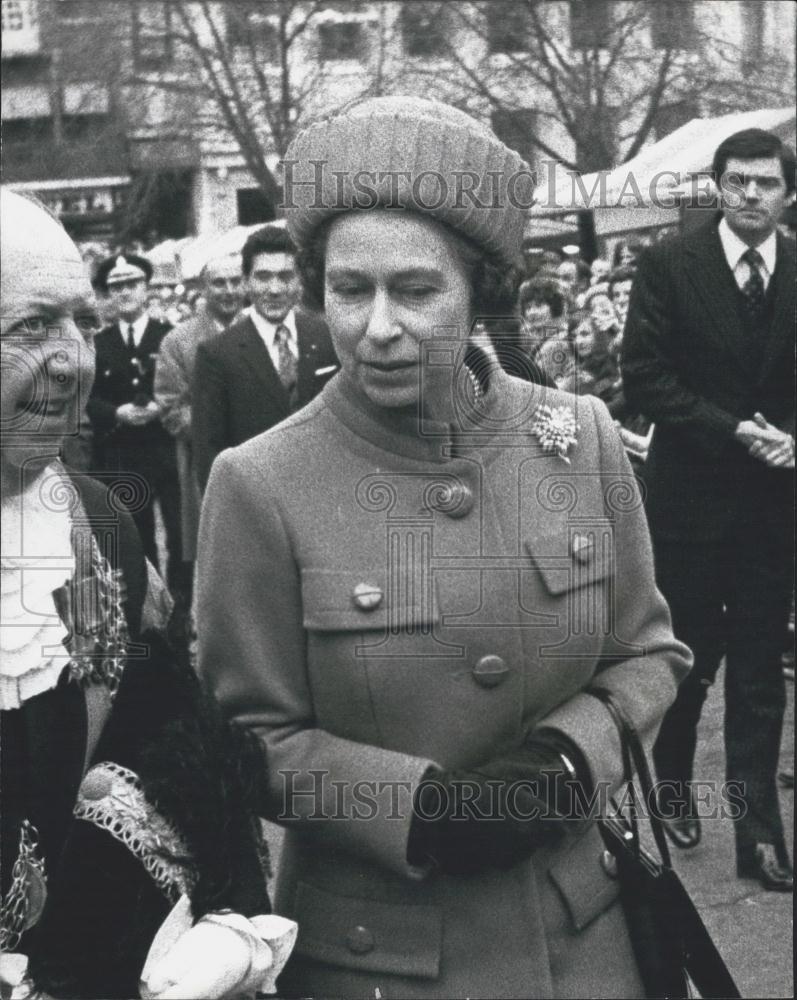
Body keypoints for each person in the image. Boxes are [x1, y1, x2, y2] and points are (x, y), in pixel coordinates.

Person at [197, 96, 691, 998]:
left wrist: (570, 758)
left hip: (585, 944)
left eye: (415, 290)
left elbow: (648, 655)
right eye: (350, 290)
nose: (377, 326)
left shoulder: (578, 435)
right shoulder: (258, 481)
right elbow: (245, 740)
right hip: (374, 962)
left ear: (480, 294)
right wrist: (417, 811)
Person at [0, 189, 296, 999]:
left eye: (82, 322)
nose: (70, 361)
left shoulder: (96, 530)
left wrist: (231, 921)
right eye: (31, 326)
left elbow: (177, 748)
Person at [622, 128, 796, 892]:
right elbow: (644, 380)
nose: (751, 194)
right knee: (689, 656)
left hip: (773, 503)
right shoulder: (667, 265)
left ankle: (756, 831)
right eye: (737, 181)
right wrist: (735, 433)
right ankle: (669, 780)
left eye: (765, 182)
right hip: (690, 498)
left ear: (787, 192)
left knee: (760, 667)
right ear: (716, 187)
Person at [192, 225, 338, 491]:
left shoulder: (328, 337)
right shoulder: (217, 354)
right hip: (258, 501)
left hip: (326, 491)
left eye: (285, 276)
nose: (274, 289)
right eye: (263, 277)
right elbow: (209, 453)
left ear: (299, 281)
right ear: (246, 282)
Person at [87, 253, 183, 595]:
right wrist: (116, 413)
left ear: (147, 288)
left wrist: (163, 405)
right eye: (117, 287)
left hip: (168, 449)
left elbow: (189, 387)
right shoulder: (98, 344)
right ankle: (149, 615)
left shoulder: (171, 336)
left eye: (132, 284)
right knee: (138, 540)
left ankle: (181, 614)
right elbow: (88, 397)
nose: (125, 292)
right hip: (123, 453)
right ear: (109, 295)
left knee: (180, 537)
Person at [154, 254, 244, 586]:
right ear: (203, 289)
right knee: (216, 560)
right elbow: (171, 409)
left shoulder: (263, 330)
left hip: (265, 460)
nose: (229, 290)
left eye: (236, 281)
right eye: (219, 283)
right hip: (205, 466)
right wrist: (222, 426)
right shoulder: (178, 341)